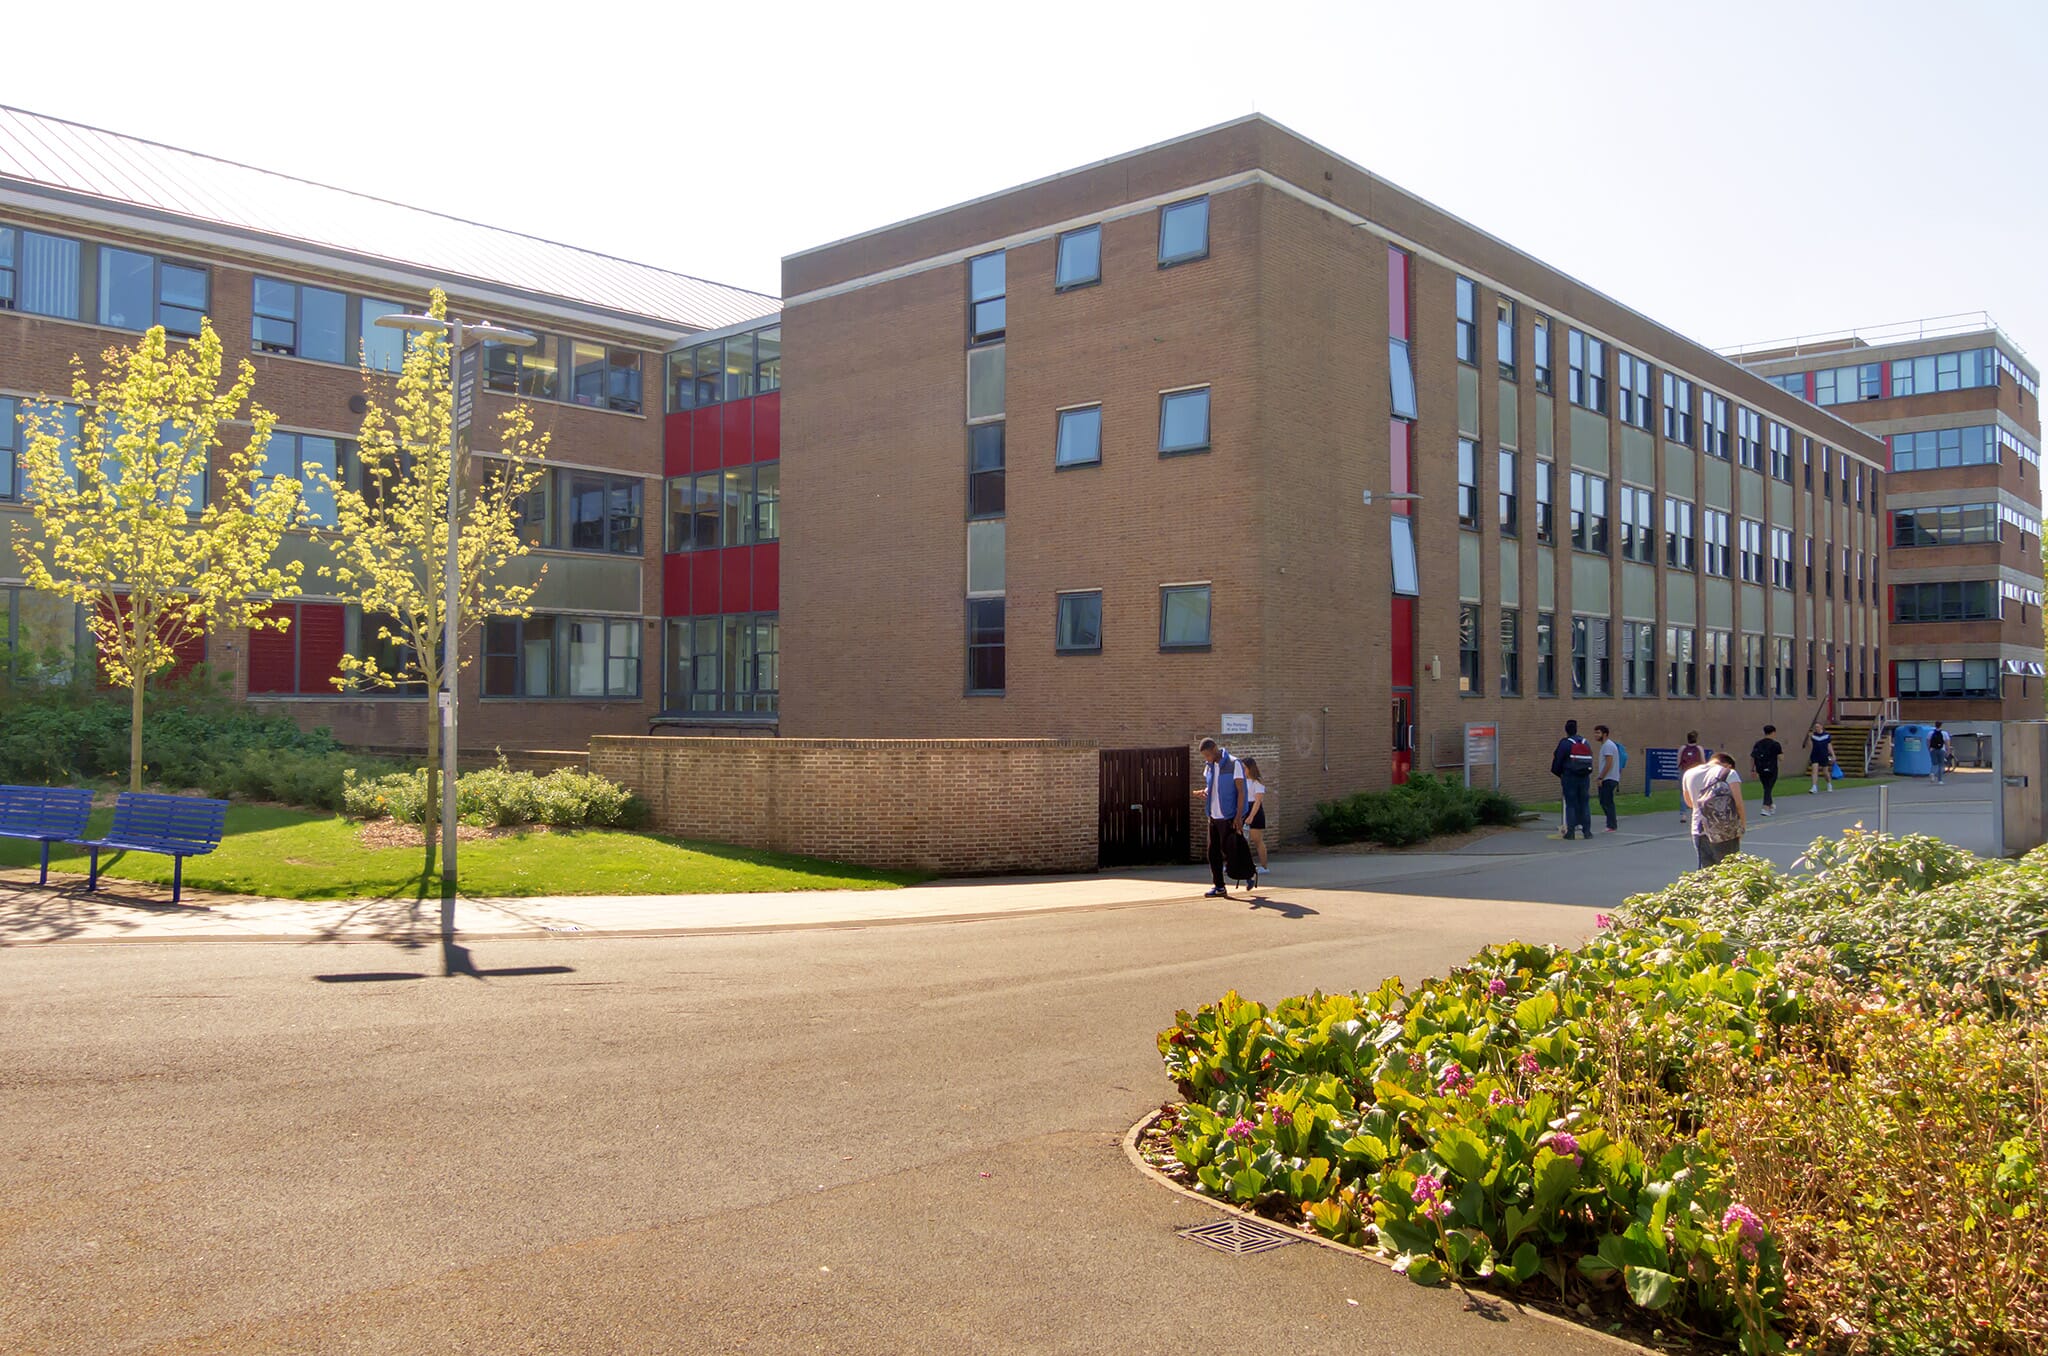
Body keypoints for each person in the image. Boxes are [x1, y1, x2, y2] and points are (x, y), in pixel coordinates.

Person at [1198, 738, 1247, 898]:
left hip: (1228, 816)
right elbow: (1212, 786)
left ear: (1215, 749)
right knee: (1213, 853)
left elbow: (1241, 791)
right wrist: (1205, 792)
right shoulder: (1209, 766)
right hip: (1213, 816)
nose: (1207, 759)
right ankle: (1219, 886)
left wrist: (1238, 816)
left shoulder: (1234, 764)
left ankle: (1248, 873)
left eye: (1208, 755)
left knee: (1232, 851)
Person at [1683, 751, 1747, 869]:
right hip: (1724, 831)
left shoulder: (1689, 773)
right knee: (1729, 871)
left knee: (1707, 873)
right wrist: (1742, 827)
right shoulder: (1729, 773)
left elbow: (1689, 803)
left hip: (1698, 829)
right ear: (1728, 765)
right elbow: (1738, 804)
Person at [1549, 719, 1595, 841]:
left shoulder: (1565, 743)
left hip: (1570, 777)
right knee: (1584, 803)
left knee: (1571, 804)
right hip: (1584, 777)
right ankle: (1587, 831)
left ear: (1566, 730)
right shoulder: (1585, 742)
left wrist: (1559, 774)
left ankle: (1571, 832)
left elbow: (1558, 760)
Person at [1241, 757, 1270, 875]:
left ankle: (1264, 866)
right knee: (1241, 841)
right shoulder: (1242, 781)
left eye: (1244, 768)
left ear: (1250, 768)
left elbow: (1257, 801)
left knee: (1257, 840)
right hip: (1243, 809)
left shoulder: (1257, 782)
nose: (1242, 770)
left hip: (1254, 811)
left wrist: (1251, 816)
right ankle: (1241, 865)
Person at [1749, 725, 1782, 817]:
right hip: (1772, 769)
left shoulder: (1758, 744)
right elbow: (1781, 758)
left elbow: (1753, 757)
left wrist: (1752, 770)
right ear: (1773, 732)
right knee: (1768, 787)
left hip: (1760, 769)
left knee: (1766, 787)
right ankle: (1765, 807)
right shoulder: (1775, 744)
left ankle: (1771, 805)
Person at [1594, 724, 1622, 833]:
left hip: (1609, 778)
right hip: (1608, 778)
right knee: (1604, 801)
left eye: (1598, 733)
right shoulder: (1606, 745)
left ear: (1604, 734)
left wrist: (1601, 777)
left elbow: (1609, 762)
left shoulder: (1608, 746)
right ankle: (1611, 824)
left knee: (1607, 802)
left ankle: (1611, 825)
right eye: (1595, 732)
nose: (1595, 735)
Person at [1676, 732, 1706, 825]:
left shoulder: (1682, 748)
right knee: (1698, 793)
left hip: (1685, 772)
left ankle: (1683, 815)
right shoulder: (1699, 748)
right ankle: (1697, 813)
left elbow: (1678, 762)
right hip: (1696, 772)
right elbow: (1703, 761)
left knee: (1683, 793)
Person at [1805, 722, 1835, 794]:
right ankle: (1814, 787)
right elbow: (1810, 746)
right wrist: (1809, 737)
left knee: (1825, 772)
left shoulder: (1826, 735)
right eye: (1815, 727)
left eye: (1818, 727)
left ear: (1821, 727)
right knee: (1814, 771)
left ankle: (1829, 784)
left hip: (1824, 755)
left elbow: (1829, 746)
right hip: (1815, 755)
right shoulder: (1813, 736)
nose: (1816, 728)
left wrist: (1833, 755)